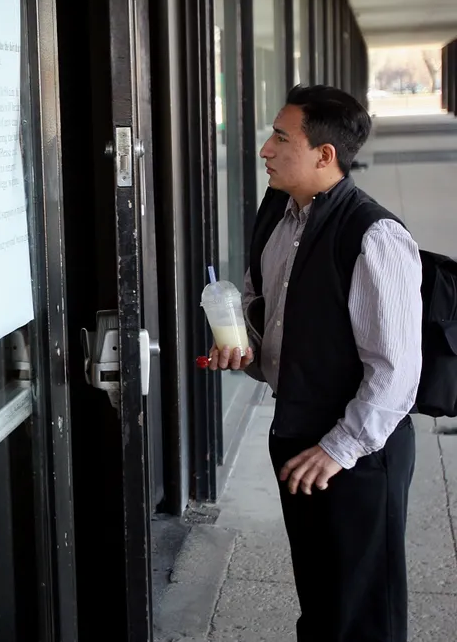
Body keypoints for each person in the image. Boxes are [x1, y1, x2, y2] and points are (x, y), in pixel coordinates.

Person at [209, 85, 422, 641]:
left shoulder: (374, 236)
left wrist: (339, 447)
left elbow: (396, 371)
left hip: (357, 450)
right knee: (325, 606)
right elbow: (276, 317)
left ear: (324, 155)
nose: (265, 150)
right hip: (298, 434)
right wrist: (249, 351)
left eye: (281, 137)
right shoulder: (278, 213)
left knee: (362, 613)